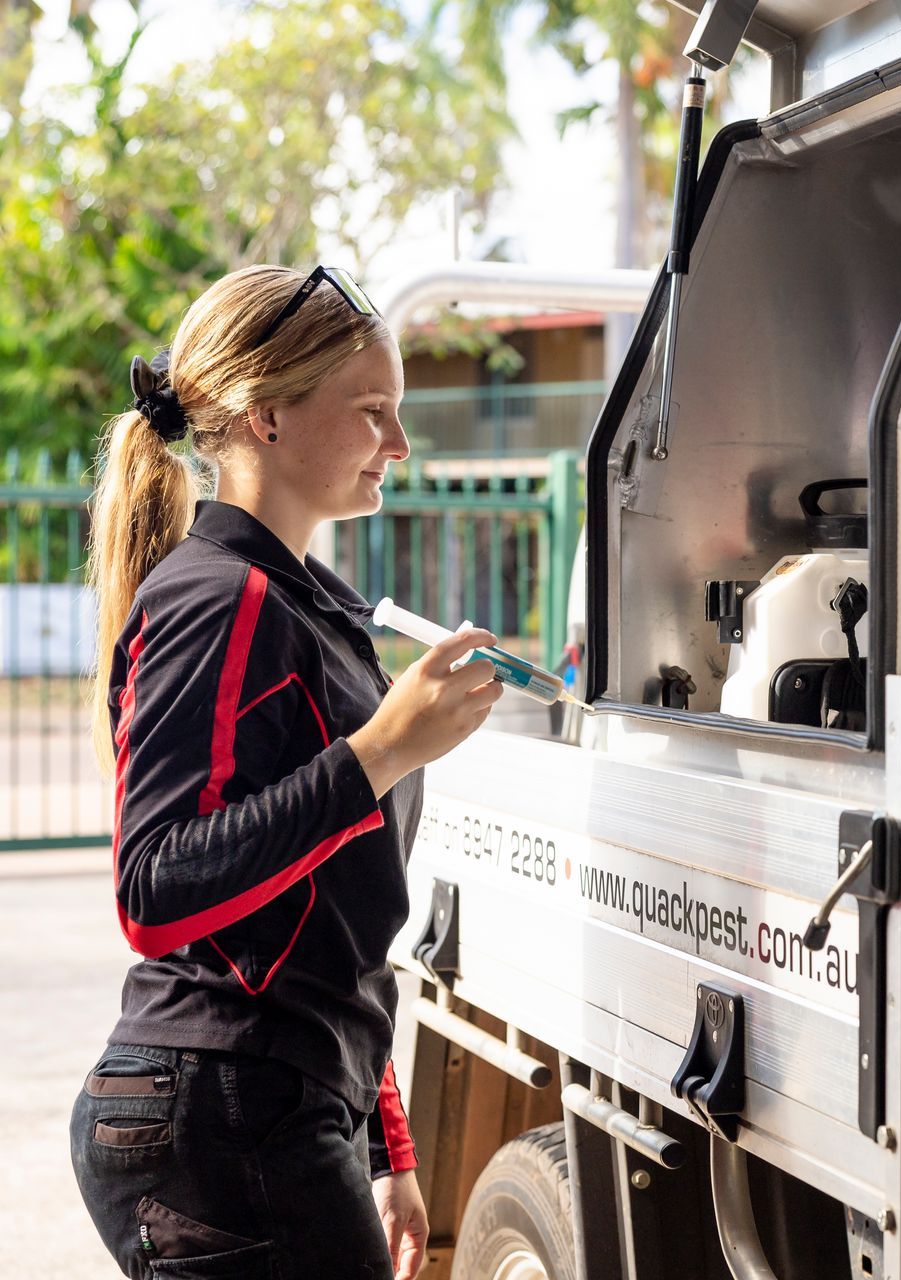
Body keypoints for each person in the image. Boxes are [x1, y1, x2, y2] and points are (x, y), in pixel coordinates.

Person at [68, 264, 504, 1279]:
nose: (398, 443)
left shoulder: (303, 604)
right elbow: (157, 887)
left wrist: (383, 1139)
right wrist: (382, 749)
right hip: (221, 1107)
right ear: (267, 416)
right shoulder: (222, 602)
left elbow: (329, 922)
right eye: (372, 411)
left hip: (270, 1101)